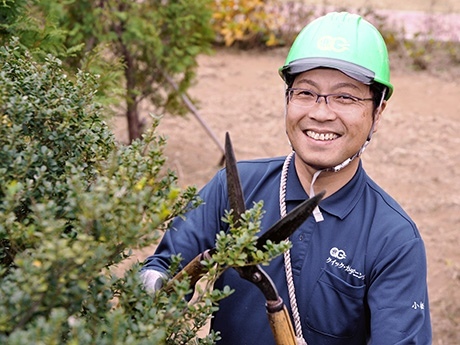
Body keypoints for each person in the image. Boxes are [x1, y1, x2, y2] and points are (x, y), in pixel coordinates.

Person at [141, 11, 432, 345]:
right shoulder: (237, 186)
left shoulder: (393, 240)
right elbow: (163, 265)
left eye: (345, 97)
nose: (321, 113)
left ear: (377, 111)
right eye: (305, 92)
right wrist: (152, 287)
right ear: (288, 98)